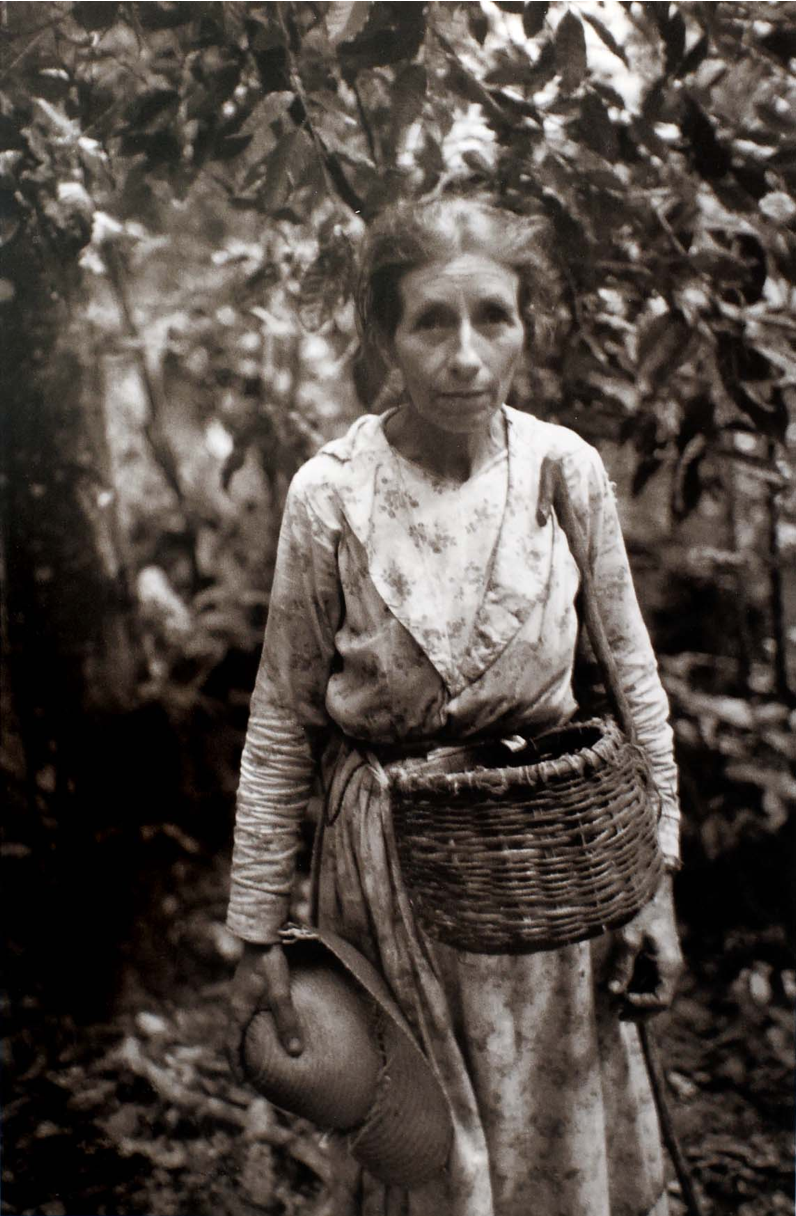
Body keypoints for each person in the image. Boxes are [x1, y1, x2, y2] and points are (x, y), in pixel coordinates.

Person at [226, 194, 684, 1216]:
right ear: (383, 331)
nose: (465, 354)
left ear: (527, 324)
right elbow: (279, 719)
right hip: (387, 880)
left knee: (554, 1146)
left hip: (545, 876)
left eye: (494, 316)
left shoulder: (561, 471)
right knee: (426, 1165)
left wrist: (655, 885)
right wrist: (257, 930)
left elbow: (631, 679)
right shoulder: (330, 495)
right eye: (431, 320)